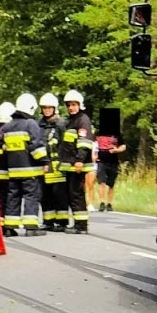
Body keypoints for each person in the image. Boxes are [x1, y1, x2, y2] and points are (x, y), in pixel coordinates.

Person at [0, 93, 47, 237]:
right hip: (30, 170)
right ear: (31, 107)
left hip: (13, 171)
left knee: (13, 196)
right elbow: (36, 146)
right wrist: (44, 161)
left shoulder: (7, 127)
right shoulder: (30, 124)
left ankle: (9, 227)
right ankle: (31, 226)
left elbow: (0, 143)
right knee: (31, 196)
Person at [60, 90, 94, 231]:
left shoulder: (82, 120)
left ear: (80, 105)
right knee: (72, 194)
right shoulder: (71, 121)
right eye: (69, 105)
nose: (71, 107)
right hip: (70, 165)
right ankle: (78, 223)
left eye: (74, 104)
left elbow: (84, 142)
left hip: (78, 164)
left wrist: (79, 159)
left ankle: (81, 225)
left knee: (77, 194)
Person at [37, 93, 69, 231]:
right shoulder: (39, 124)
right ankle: (48, 221)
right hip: (44, 165)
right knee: (45, 194)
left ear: (55, 108)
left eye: (49, 108)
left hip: (59, 166)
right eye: (44, 108)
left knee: (60, 194)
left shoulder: (62, 124)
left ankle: (62, 221)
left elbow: (66, 144)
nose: (47, 110)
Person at [95, 121, 127, 213]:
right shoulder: (98, 133)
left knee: (111, 184)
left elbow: (123, 146)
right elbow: (93, 144)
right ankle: (102, 202)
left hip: (113, 162)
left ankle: (109, 203)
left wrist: (117, 150)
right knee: (101, 182)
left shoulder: (117, 134)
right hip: (101, 161)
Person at [0, 100, 15, 220]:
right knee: (9, 198)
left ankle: (0, 221)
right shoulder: (11, 131)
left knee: (0, 199)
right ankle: (8, 224)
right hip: (9, 171)